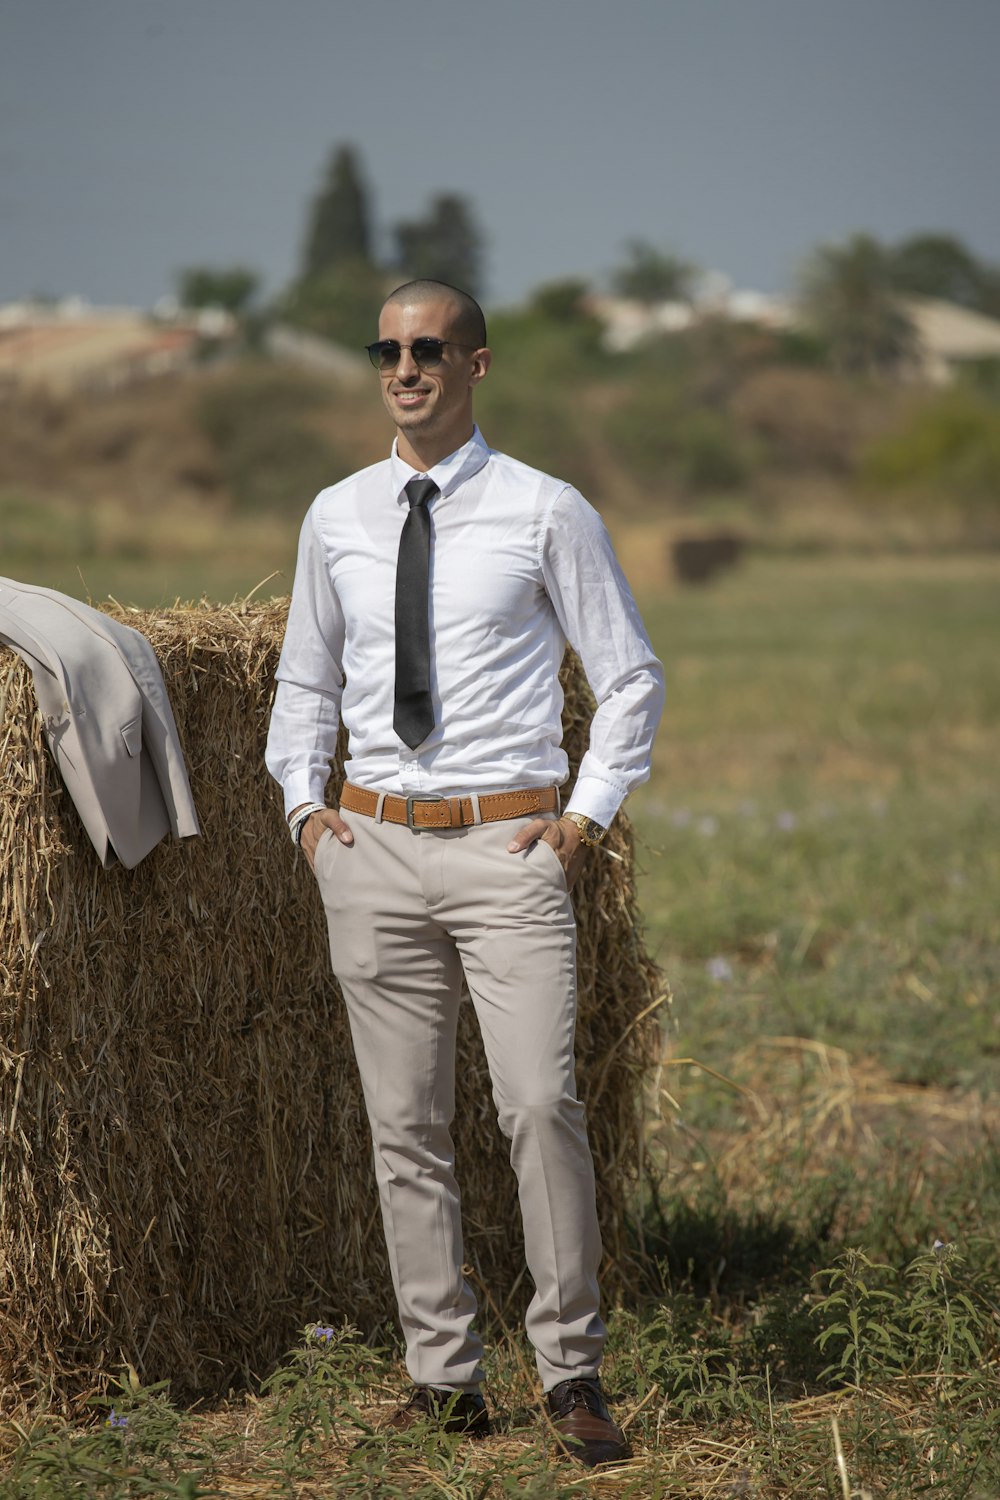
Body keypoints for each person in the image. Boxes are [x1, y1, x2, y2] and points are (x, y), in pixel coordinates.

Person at [265, 279, 664, 1468]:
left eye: (428, 347)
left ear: (475, 364)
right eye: (386, 349)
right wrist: (302, 808)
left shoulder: (547, 509)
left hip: (508, 848)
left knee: (539, 1107)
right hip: (370, 846)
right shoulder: (335, 513)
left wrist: (582, 818)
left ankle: (571, 1373)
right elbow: (303, 681)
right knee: (405, 1125)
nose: (404, 367)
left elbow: (630, 674)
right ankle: (445, 1380)